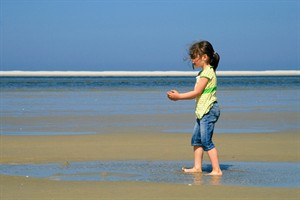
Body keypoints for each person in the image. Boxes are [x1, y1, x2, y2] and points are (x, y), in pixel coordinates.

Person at [167, 40, 222, 176]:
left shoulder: (207, 73)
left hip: (209, 111)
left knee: (206, 141)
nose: (192, 60)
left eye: (194, 57)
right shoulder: (202, 73)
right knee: (196, 140)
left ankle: (217, 170)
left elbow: (196, 93)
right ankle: (197, 167)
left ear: (204, 57)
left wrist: (178, 97)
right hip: (202, 112)